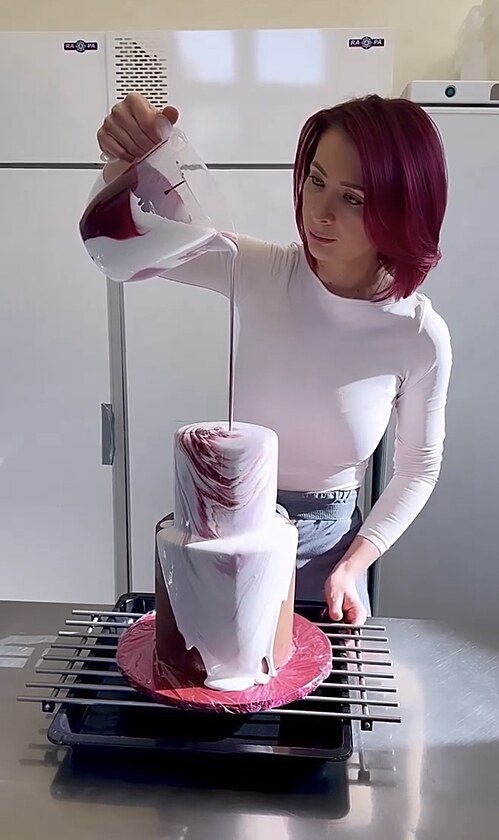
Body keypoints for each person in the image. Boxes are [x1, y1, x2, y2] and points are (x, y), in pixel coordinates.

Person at [96, 92, 452, 625]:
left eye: (352, 198)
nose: (319, 212)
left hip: (329, 557)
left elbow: (419, 468)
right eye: (316, 180)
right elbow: (129, 241)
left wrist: (354, 565)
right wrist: (129, 161)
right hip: (226, 530)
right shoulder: (262, 271)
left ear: (402, 209)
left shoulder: (419, 335)